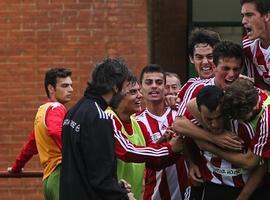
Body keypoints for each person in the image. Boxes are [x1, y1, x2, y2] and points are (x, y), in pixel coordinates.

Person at [60, 58, 181, 200]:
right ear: (115, 87)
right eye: (128, 89)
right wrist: (121, 195)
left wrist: (115, 185)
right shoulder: (100, 116)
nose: (139, 95)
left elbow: (89, 165)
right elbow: (102, 175)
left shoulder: (74, 111)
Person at [106, 75, 183, 199]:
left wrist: (167, 143)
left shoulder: (136, 123)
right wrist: (170, 148)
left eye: (138, 90)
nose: (140, 95)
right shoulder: (108, 118)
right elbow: (127, 151)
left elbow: (154, 162)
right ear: (116, 95)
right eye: (132, 92)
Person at [136, 64, 188, 200]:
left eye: (159, 82)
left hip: (187, 193)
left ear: (165, 88)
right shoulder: (136, 122)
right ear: (140, 88)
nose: (154, 86)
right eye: (148, 82)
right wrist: (164, 143)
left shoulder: (179, 112)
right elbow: (145, 159)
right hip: (155, 194)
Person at [31, 68, 73, 200]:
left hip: (48, 180)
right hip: (60, 175)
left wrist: (17, 167)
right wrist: (76, 154)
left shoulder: (41, 111)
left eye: (71, 85)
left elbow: (31, 144)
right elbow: (55, 131)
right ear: (51, 89)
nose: (71, 89)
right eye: (65, 85)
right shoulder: (57, 107)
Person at [165, 28, 221, 106]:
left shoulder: (229, 84)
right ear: (191, 58)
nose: (205, 62)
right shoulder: (190, 85)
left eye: (210, 56)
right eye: (199, 57)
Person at [241, 0, 270, 90]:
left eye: (249, 15)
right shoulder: (248, 46)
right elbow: (255, 87)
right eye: (243, 16)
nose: (243, 21)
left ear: (266, 16)